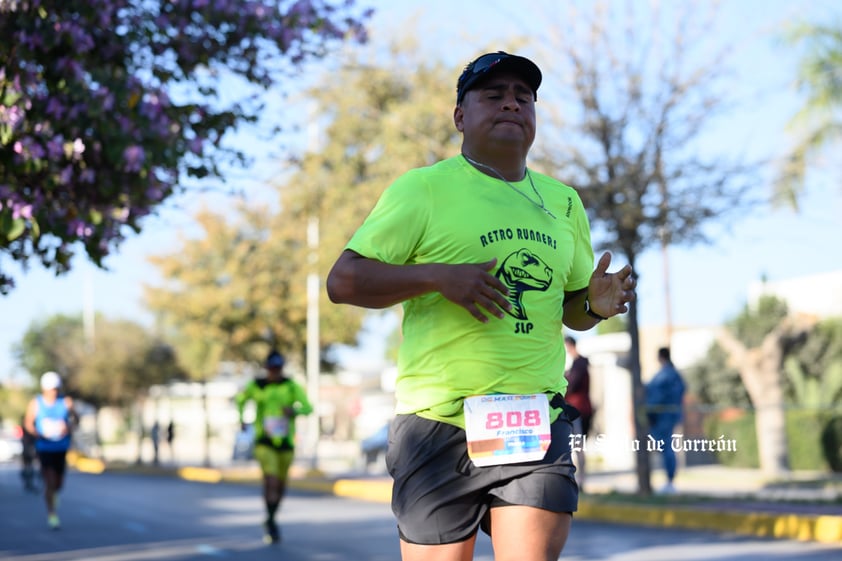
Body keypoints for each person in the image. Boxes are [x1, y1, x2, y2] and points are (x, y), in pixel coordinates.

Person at [326, 51, 636, 561]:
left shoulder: (562, 202)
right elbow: (344, 280)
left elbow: (572, 311)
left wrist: (596, 305)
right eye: (493, 95)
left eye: (523, 96)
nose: (511, 104)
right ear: (460, 117)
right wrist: (435, 277)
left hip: (533, 421)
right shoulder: (423, 189)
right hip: (437, 423)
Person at [235, 350, 314, 544]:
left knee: (280, 485)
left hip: (286, 443)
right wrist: (242, 419)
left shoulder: (291, 385)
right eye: (272, 368)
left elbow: (308, 407)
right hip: (265, 442)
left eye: (278, 368)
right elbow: (240, 399)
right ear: (266, 368)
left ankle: (271, 518)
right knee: (270, 481)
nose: (275, 372)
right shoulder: (257, 385)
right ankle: (271, 523)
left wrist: (293, 410)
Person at [23, 371, 77, 530]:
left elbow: (77, 420)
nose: (53, 392)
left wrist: (68, 427)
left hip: (61, 447)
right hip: (44, 447)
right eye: (50, 389)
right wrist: (38, 433)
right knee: (50, 482)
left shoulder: (66, 402)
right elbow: (28, 424)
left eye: (55, 389)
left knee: (59, 484)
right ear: (44, 389)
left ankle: (54, 494)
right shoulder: (36, 403)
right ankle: (52, 514)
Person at [645, 346, 686, 494]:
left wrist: (649, 412)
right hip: (668, 416)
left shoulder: (664, 375)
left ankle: (670, 481)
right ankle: (669, 480)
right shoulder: (674, 374)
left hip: (662, 417)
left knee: (666, 447)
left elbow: (656, 395)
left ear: (660, 357)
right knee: (666, 447)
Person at [564, 335, 594, 493]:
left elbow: (571, 386)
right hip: (580, 410)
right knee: (577, 447)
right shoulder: (579, 364)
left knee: (578, 447)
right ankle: (579, 480)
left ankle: (581, 481)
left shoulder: (578, 365)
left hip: (578, 411)